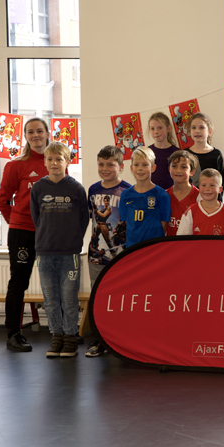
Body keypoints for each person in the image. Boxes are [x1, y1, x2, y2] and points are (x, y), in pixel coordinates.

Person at [0, 117, 51, 352]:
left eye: (39, 131)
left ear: (47, 133)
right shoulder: (15, 165)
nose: (35, 135)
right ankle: (13, 334)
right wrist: (16, 221)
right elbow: (2, 200)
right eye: (30, 132)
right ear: (26, 136)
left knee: (55, 282)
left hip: (49, 233)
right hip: (22, 232)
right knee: (19, 282)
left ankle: (63, 332)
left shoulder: (56, 162)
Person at [29, 143, 88, 358]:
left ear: (68, 162)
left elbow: (83, 219)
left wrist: (73, 241)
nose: (54, 163)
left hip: (69, 253)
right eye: (50, 159)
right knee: (51, 298)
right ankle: (56, 336)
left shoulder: (76, 188)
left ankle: (70, 337)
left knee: (69, 298)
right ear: (45, 162)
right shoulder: (38, 188)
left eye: (59, 159)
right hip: (45, 252)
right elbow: (36, 218)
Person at [85, 145, 132, 357]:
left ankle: (120, 338)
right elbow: (92, 218)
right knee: (98, 296)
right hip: (96, 254)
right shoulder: (93, 189)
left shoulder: (128, 191)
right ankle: (99, 339)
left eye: (110, 164)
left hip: (121, 254)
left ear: (121, 166)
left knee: (121, 296)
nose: (105, 168)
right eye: (101, 164)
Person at [119, 146, 171, 248]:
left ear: (153, 168)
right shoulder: (125, 195)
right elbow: (127, 222)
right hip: (132, 248)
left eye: (145, 164)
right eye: (136, 165)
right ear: (131, 168)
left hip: (153, 248)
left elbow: (164, 225)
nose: (140, 168)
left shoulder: (162, 195)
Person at [177, 169, 224, 236]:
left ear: (220, 189)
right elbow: (181, 238)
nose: (207, 189)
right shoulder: (190, 211)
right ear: (199, 188)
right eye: (204, 185)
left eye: (212, 185)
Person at [187, 112, 224, 200]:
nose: (197, 131)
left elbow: (221, 182)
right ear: (190, 131)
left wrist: (217, 202)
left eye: (201, 127)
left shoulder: (217, 154)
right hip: (190, 201)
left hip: (212, 201)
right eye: (194, 127)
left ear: (210, 131)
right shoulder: (185, 154)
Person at [165, 150, 200, 236]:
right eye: (174, 166)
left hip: (190, 243)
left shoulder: (199, 196)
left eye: (183, 167)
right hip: (169, 242)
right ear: (169, 169)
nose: (178, 170)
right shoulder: (164, 195)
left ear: (192, 172)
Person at [147, 112, 179, 190]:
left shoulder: (177, 153)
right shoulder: (146, 152)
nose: (156, 131)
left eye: (160, 128)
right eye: (152, 128)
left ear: (168, 128)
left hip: (172, 193)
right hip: (152, 193)